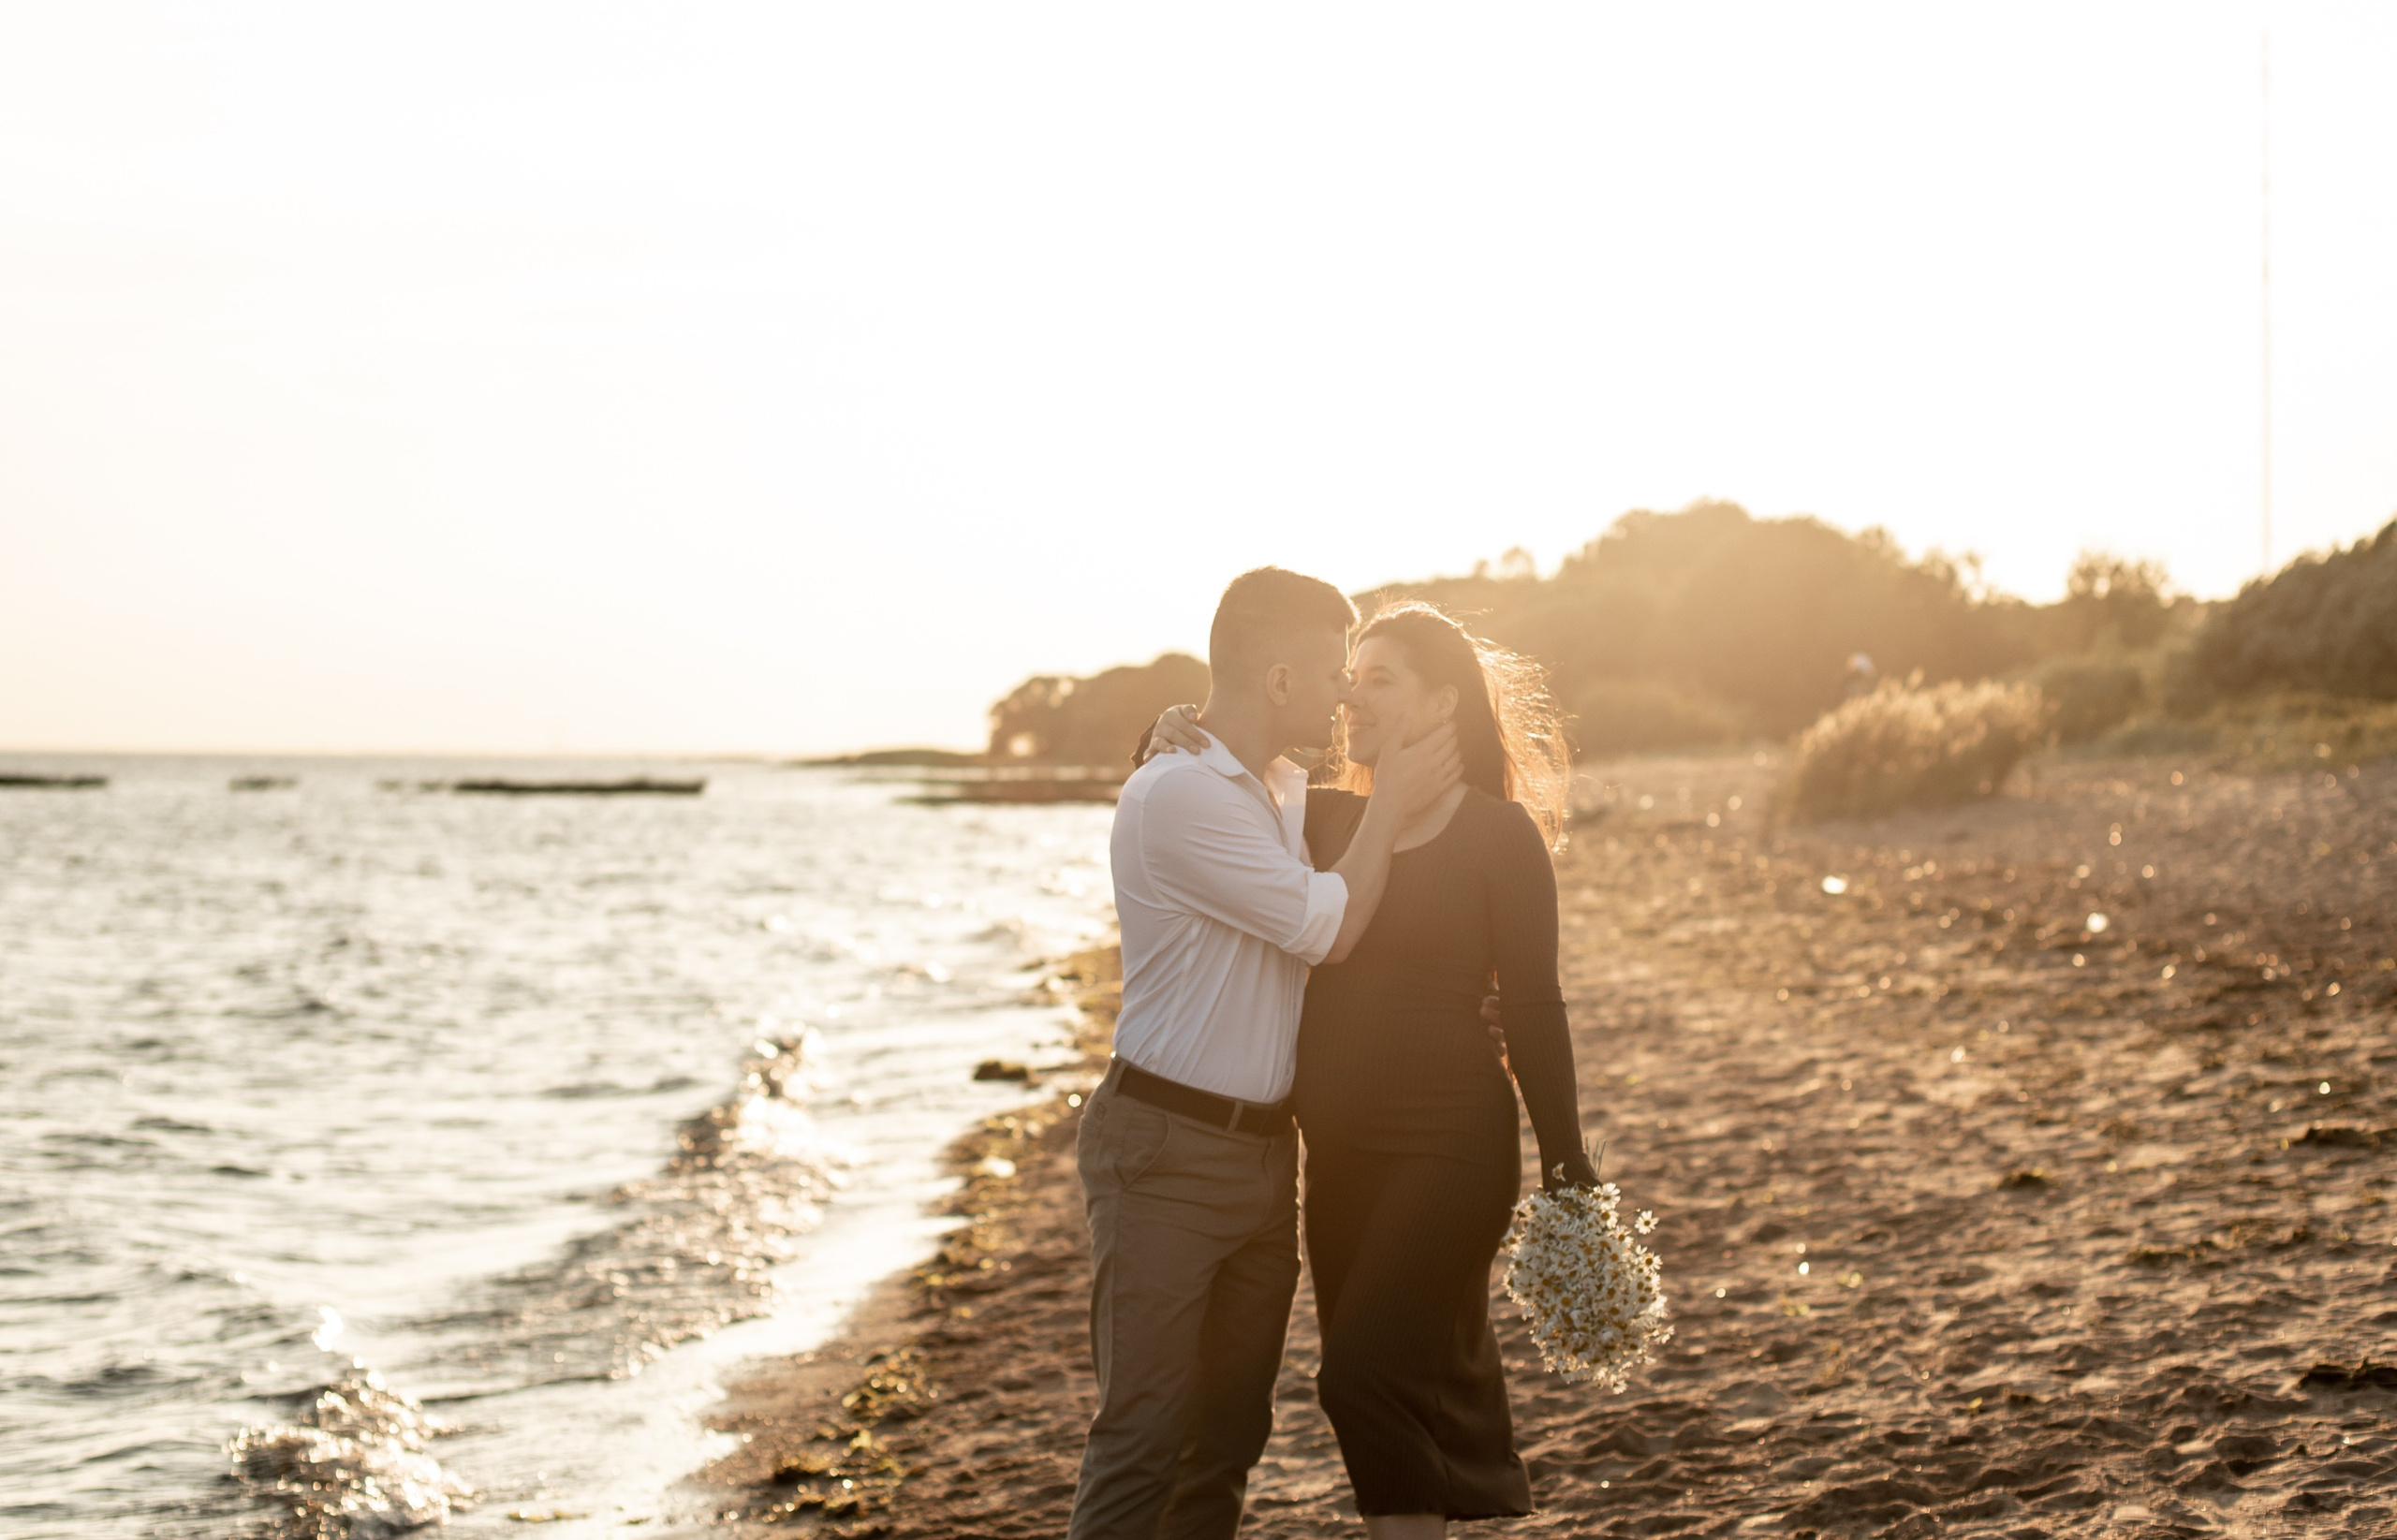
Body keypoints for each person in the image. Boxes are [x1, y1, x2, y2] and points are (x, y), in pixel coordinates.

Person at [1143, 601, 1597, 1538]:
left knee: (1357, 1372)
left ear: (1443, 702)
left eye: (1379, 678)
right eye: (1349, 675)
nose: (1351, 692)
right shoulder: (1323, 821)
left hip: (1451, 1146)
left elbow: (1533, 1005)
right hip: (1338, 1165)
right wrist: (1157, 731)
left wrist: (1566, 1161)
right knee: (1386, 1390)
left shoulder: (1498, 837)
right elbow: (1196, 816)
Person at [1069, 568, 1463, 1540]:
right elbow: (1323, 924)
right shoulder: (1176, 797)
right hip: (1162, 1148)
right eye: (1335, 672)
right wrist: (1391, 796)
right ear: (1281, 679)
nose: (1344, 694)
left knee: (1227, 1439)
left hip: (1261, 1157)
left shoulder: (1282, 792)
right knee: (1142, 1435)